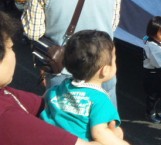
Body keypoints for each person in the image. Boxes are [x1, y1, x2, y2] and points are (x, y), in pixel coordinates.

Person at [0, 11, 107, 145]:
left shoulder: (6, 93)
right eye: (10, 47)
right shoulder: (7, 117)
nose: (14, 54)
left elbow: (44, 104)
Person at [40, 30, 129, 145]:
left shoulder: (61, 87)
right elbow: (99, 133)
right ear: (105, 70)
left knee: (118, 132)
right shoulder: (101, 100)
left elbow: (44, 98)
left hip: (49, 138)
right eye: (114, 60)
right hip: (78, 142)